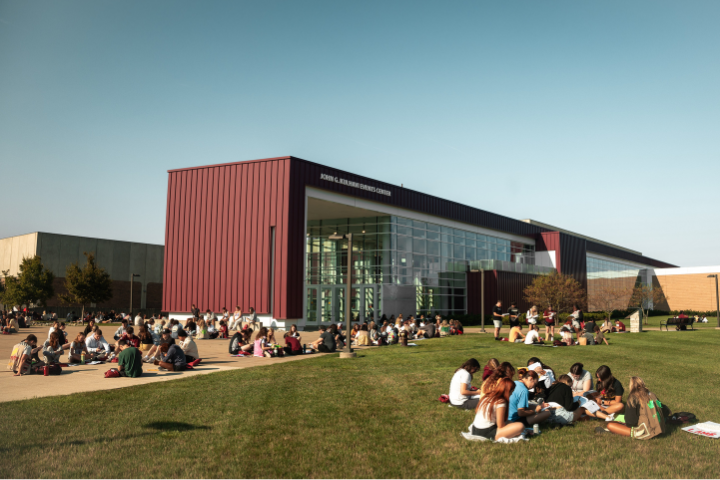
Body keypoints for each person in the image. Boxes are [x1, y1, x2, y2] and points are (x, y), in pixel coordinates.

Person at [599, 377, 666, 438]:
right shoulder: (652, 394)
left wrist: (622, 423)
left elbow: (630, 422)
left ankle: (613, 430)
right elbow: (665, 410)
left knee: (610, 425)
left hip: (646, 431)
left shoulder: (633, 397)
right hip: (659, 428)